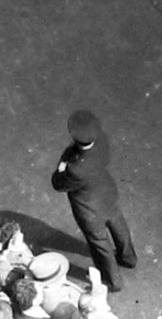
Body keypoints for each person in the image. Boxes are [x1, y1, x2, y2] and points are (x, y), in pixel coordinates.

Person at [50, 111, 136, 293]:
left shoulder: (75, 169)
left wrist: (62, 165)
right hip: (107, 194)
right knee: (118, 224)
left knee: (99, 242)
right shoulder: (102, 141)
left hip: (88, 208)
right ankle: (128, 257)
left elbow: (58, 184)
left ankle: (112, 281)